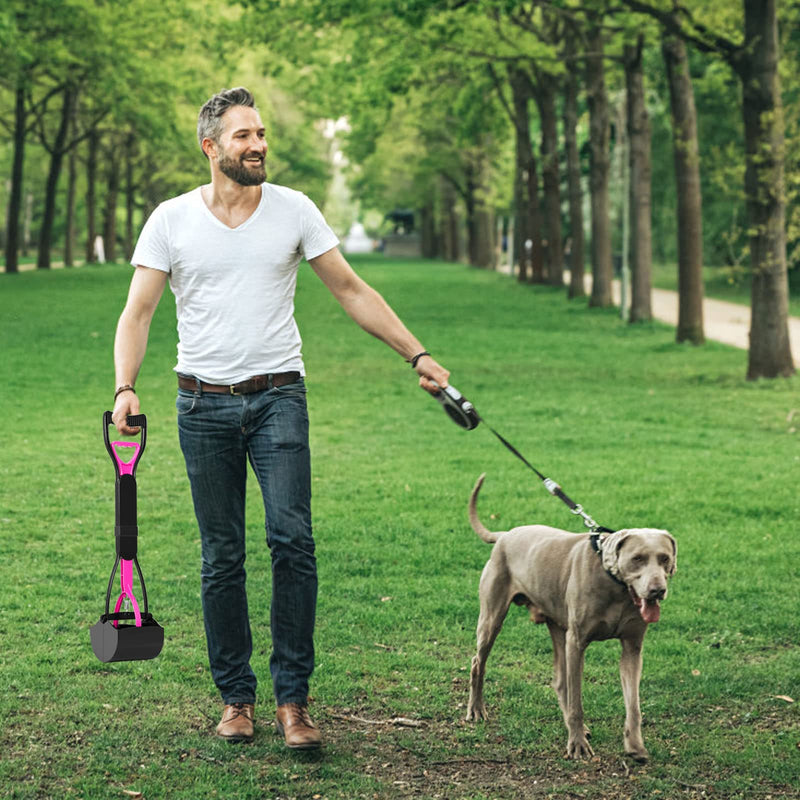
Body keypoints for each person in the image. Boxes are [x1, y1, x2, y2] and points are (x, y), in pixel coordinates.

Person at [111, 87, 450, 750]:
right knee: (222, 555)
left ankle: (294, 701)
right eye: (243, 136)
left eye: (261, 133)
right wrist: (124, 387)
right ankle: (236, 699)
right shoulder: (171, 221)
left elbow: (350, 288)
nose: (258, 144)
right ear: (211, 148)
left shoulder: (294, 210)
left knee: (293, 542)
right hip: (201, 403)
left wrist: (417, 353)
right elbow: (139, 312)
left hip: (278, 398)